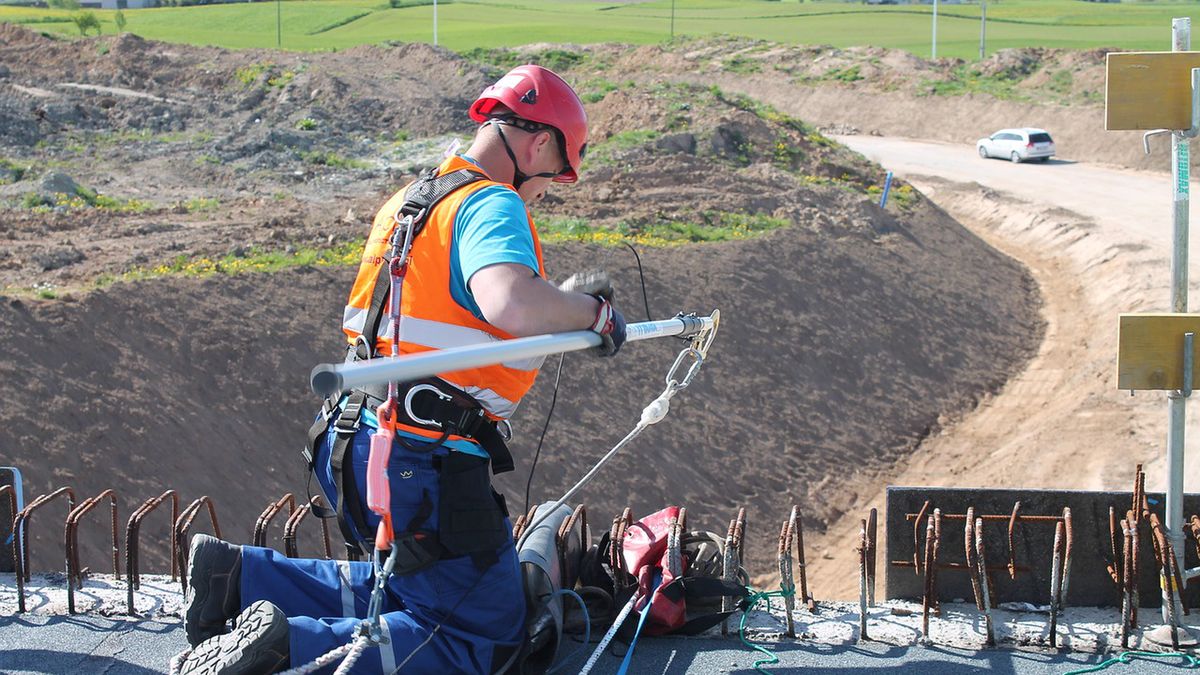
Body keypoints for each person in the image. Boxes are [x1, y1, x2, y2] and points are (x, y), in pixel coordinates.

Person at [177, 64, 626, 675]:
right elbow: (509, 302)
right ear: (538, 142)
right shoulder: (492, 201)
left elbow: (446, 313)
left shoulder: (413, 199)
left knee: (422, 590)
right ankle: (286, 649)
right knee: (483, 637)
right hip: (425, 459)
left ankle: (239, 580)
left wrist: (564, 308)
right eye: (551, 176)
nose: (543, 191)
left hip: (356, 436)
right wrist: (593, 315)